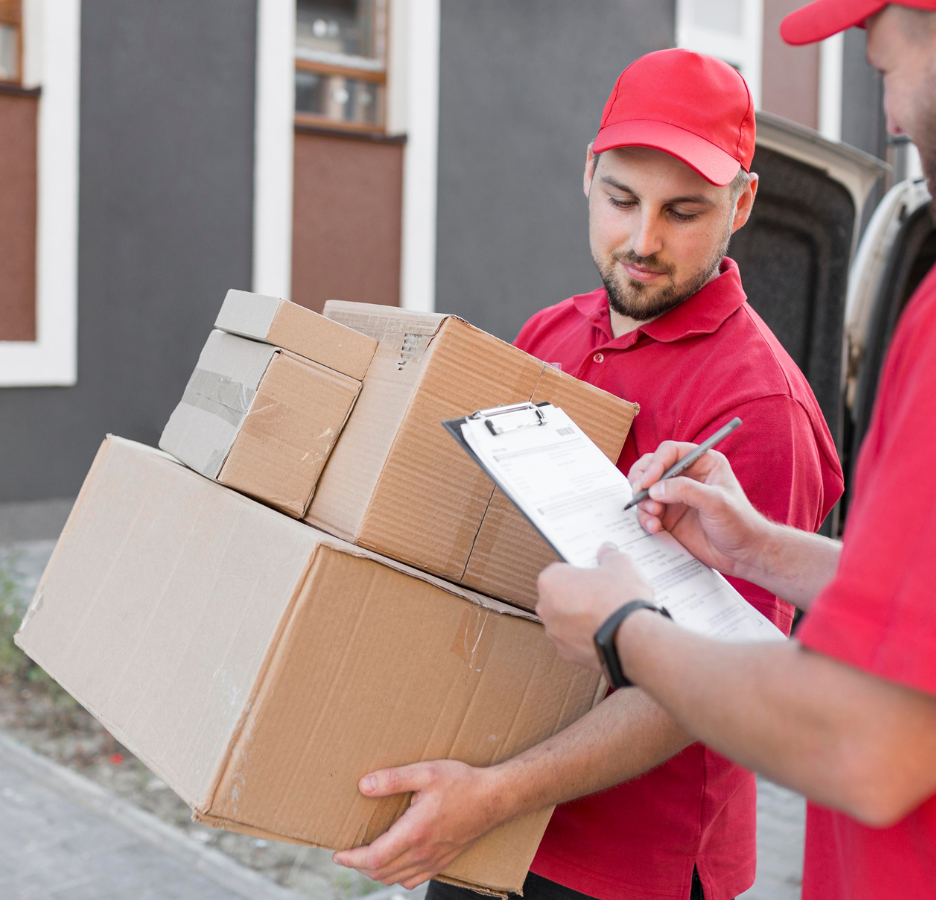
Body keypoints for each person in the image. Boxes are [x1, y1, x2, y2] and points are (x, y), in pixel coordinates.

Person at [534, 3, 936, 900]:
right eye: (621, 199)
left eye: (883, 65)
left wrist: (622, 630)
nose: (892, 119)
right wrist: (761, 547)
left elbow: (869, 743)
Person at [333, 49, 844, 900]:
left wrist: (493, 793)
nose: (643, 242)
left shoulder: (759, 406)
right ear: (586, 174)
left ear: (743, 203)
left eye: (684, 212)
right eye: (621, 201)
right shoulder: (550, 335)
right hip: (493, 817)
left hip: (629, 865)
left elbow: (712, 691)